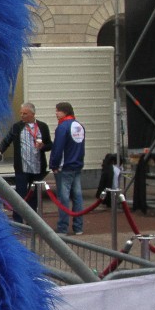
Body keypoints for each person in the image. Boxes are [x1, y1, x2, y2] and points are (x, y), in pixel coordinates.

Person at [0, 102, 52, 222]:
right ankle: (18, 221)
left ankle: (33, 222)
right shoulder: (17, 127)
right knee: (20, 195)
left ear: (32, 114)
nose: (22, 115)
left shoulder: (42, 127)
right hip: (22, 168)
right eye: (21, 113)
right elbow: (7, 140)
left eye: (25, 113)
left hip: (37, 167)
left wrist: (43, 146)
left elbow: (50, 145)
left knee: (34, 197)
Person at [49, 101, 86, 235]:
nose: (56, 113)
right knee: (77, 196)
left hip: (64, 167)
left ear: (64, 112)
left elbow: (58, 148)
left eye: (58, 110)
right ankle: (78, 227)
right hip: (77, 165)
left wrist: (54, 164)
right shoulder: (79, 126)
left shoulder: (62, 127)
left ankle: (62, 227)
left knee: (63, 198)